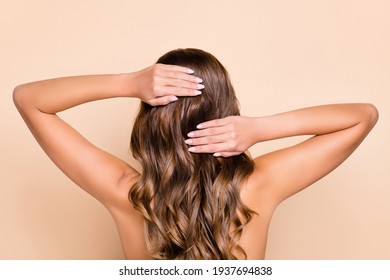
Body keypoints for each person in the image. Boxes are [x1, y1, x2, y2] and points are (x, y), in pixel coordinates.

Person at [13, 48, 378, 260]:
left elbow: (29, 100)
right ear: (226, 109)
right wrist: (260, 128)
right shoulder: (260, 184)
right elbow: (362, 117)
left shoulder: (126, 193)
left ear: (150, 120)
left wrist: (128, 83)